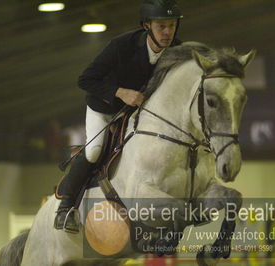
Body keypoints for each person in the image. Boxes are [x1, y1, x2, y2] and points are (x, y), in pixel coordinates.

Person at [54, 0, 183, 233]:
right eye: (161, 26)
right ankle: (65, 209)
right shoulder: (121, 46)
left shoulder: (178, 52)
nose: (167, 32)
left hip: (140, 116)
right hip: (105, 109)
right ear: (147, 26)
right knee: (94, 151)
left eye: (172, 26)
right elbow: (85, 79)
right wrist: (121, 92)